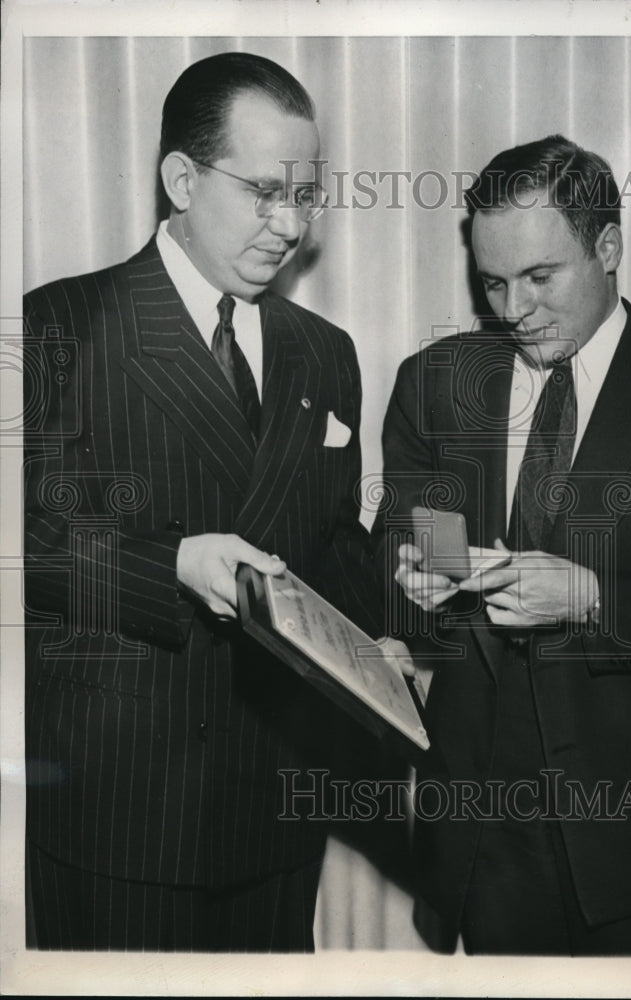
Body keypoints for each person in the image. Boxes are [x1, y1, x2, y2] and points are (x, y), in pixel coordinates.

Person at [24, 51, 400, 952]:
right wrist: (172, 565)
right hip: (120, 809)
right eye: (264, 191)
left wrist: (387, 621)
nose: (290, 225)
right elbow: (20, 541)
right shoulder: (60, 327)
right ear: (181, 180)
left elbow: (325, 538)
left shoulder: (325, 351)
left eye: (306, 197)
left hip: (275, 806)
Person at [374, 135, 631, 955]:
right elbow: (398, 541)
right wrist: (416, 579)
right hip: (483, 837)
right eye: (493, 282)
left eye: (539, 277)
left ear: (608, 247)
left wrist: (595, 599)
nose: (513, 310)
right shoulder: (433, 381)